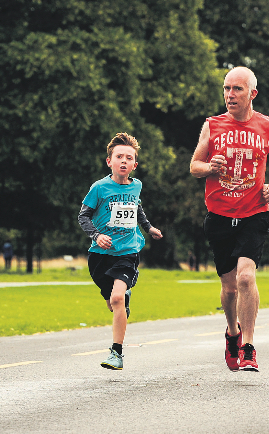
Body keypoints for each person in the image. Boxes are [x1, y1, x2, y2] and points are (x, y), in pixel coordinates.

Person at [190, 66, 269, 372]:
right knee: (230, 288)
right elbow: (194, 166)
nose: (230, 95)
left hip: (254, 213)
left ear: (252, 94)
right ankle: (233, 332)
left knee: (246, 278)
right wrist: (210, 167)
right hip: (219, 215)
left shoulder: (268, 127)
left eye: (237, 89)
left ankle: (248, 347)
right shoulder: (212, 125)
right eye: (226, 88)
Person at [77, 132, 163, 370]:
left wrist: (149, 228)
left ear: (135, 164)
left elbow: (137, 209)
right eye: (119, 157)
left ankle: (116, 353)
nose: (124, 161)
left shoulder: (137, 186)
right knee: (112, 303)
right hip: (100, 255)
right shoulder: (99, 188)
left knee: (117, 298)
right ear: (109, 161)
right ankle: (123, 299)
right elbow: (83, 216)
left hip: (127, 252)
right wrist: (97, 235)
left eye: (129, 158)